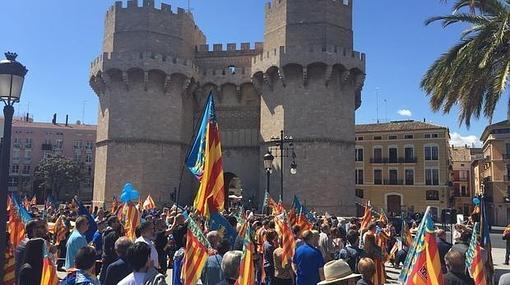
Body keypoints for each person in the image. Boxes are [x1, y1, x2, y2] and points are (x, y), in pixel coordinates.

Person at [100, 216, 123, 284]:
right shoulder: (113, 234)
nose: (119, 224)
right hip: (111, 259)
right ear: (113, 223)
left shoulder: (105, 232)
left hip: (105, 258)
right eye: (117, 222)